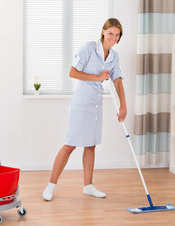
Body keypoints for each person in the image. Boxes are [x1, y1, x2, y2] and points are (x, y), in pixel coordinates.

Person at [42, 18, 127, 201]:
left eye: (117, 34)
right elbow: (72, 72)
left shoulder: (114, 57)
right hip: (81, 102)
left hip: (96, 104)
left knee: (90, 145)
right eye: (110, 33)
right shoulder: (89, 48)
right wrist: (97, 77)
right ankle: (50, 186)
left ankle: (88, 185)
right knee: (70, 145)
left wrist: (123, 104)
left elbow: (117, 80)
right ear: (103, 32)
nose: (113, 37)